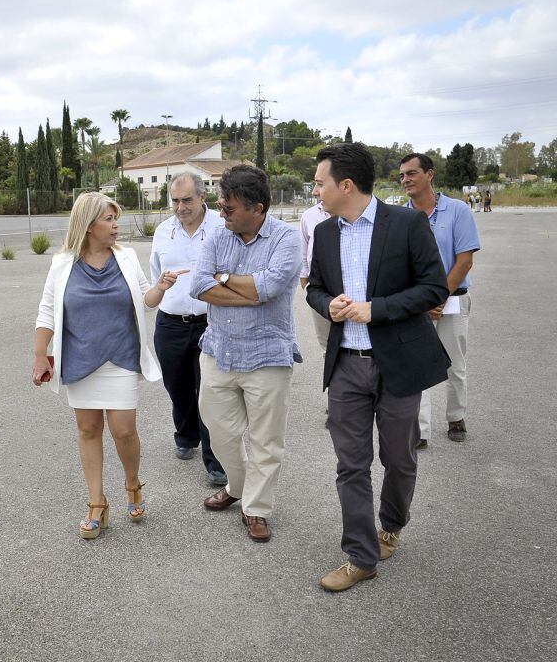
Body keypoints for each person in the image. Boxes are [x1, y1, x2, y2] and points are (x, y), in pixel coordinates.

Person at [306, 143, 450, 592]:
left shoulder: (406, 223)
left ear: (345, 185)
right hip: (346, 365)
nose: (315, 190)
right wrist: (327, 303)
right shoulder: (326, 233)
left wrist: (376, 309)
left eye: (320, 182)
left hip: (399, 364)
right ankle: (361, 556)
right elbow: (314, 287)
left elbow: (433, 289)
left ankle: (392, 523)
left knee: (399, 459)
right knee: (351, 464)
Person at [33, 191, 183, 539]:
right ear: (88, 226)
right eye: (110, 220)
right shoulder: (62, 264)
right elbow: (47, 312)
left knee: (124, 430)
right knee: (88, 430)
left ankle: (132, 484)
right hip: (80, 358)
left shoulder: (127, 258)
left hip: (121, 357)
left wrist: (160, 287)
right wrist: (41, 353)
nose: (117, 225)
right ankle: (96, 502)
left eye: (117, 219)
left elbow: (145, 300)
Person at [190, 165, 302, 544]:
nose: (222, 215)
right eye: (221, 206)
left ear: (258, 208)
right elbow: (198, 286)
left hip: (268, 354)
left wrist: (223, 278)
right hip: (218, 350)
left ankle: (256, 508)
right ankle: (237, 486)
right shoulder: (218, 237)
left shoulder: (286, 238)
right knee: (218, 430)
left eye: (230, 209)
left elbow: (269, 288)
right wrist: (245, 290)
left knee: (266, 440)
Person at [149, 171, 228, 485]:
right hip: (170, 324)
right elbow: (156, 275)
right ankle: (185, 433)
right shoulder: (163, 232)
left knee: (210, 393)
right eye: (175, 201)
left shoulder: (222, 228)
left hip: (210, 322)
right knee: (177, 386)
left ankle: (216, 460)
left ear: (203, 197)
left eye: (187, 200)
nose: (180, 207)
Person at [401, 153, 481, 447]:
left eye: (411, 173)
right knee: (419, 366)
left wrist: (439, 296)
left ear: (430, 174)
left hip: (453, 299)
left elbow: (464, 261)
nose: (405, 180)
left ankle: (456, 417)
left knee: (454, 365)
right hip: (418, 304)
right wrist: (421, 300)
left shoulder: (457, 210)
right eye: (402, 176)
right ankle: (420, 431)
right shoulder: (403, 216)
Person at [299, 199, 333, 359]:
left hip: (351, 288)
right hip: (319, 288)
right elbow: (304, 255)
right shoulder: (309, 216)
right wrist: (307, 288)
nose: (315, 191)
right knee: (327, 344)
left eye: (321, 184)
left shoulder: (354, 212)